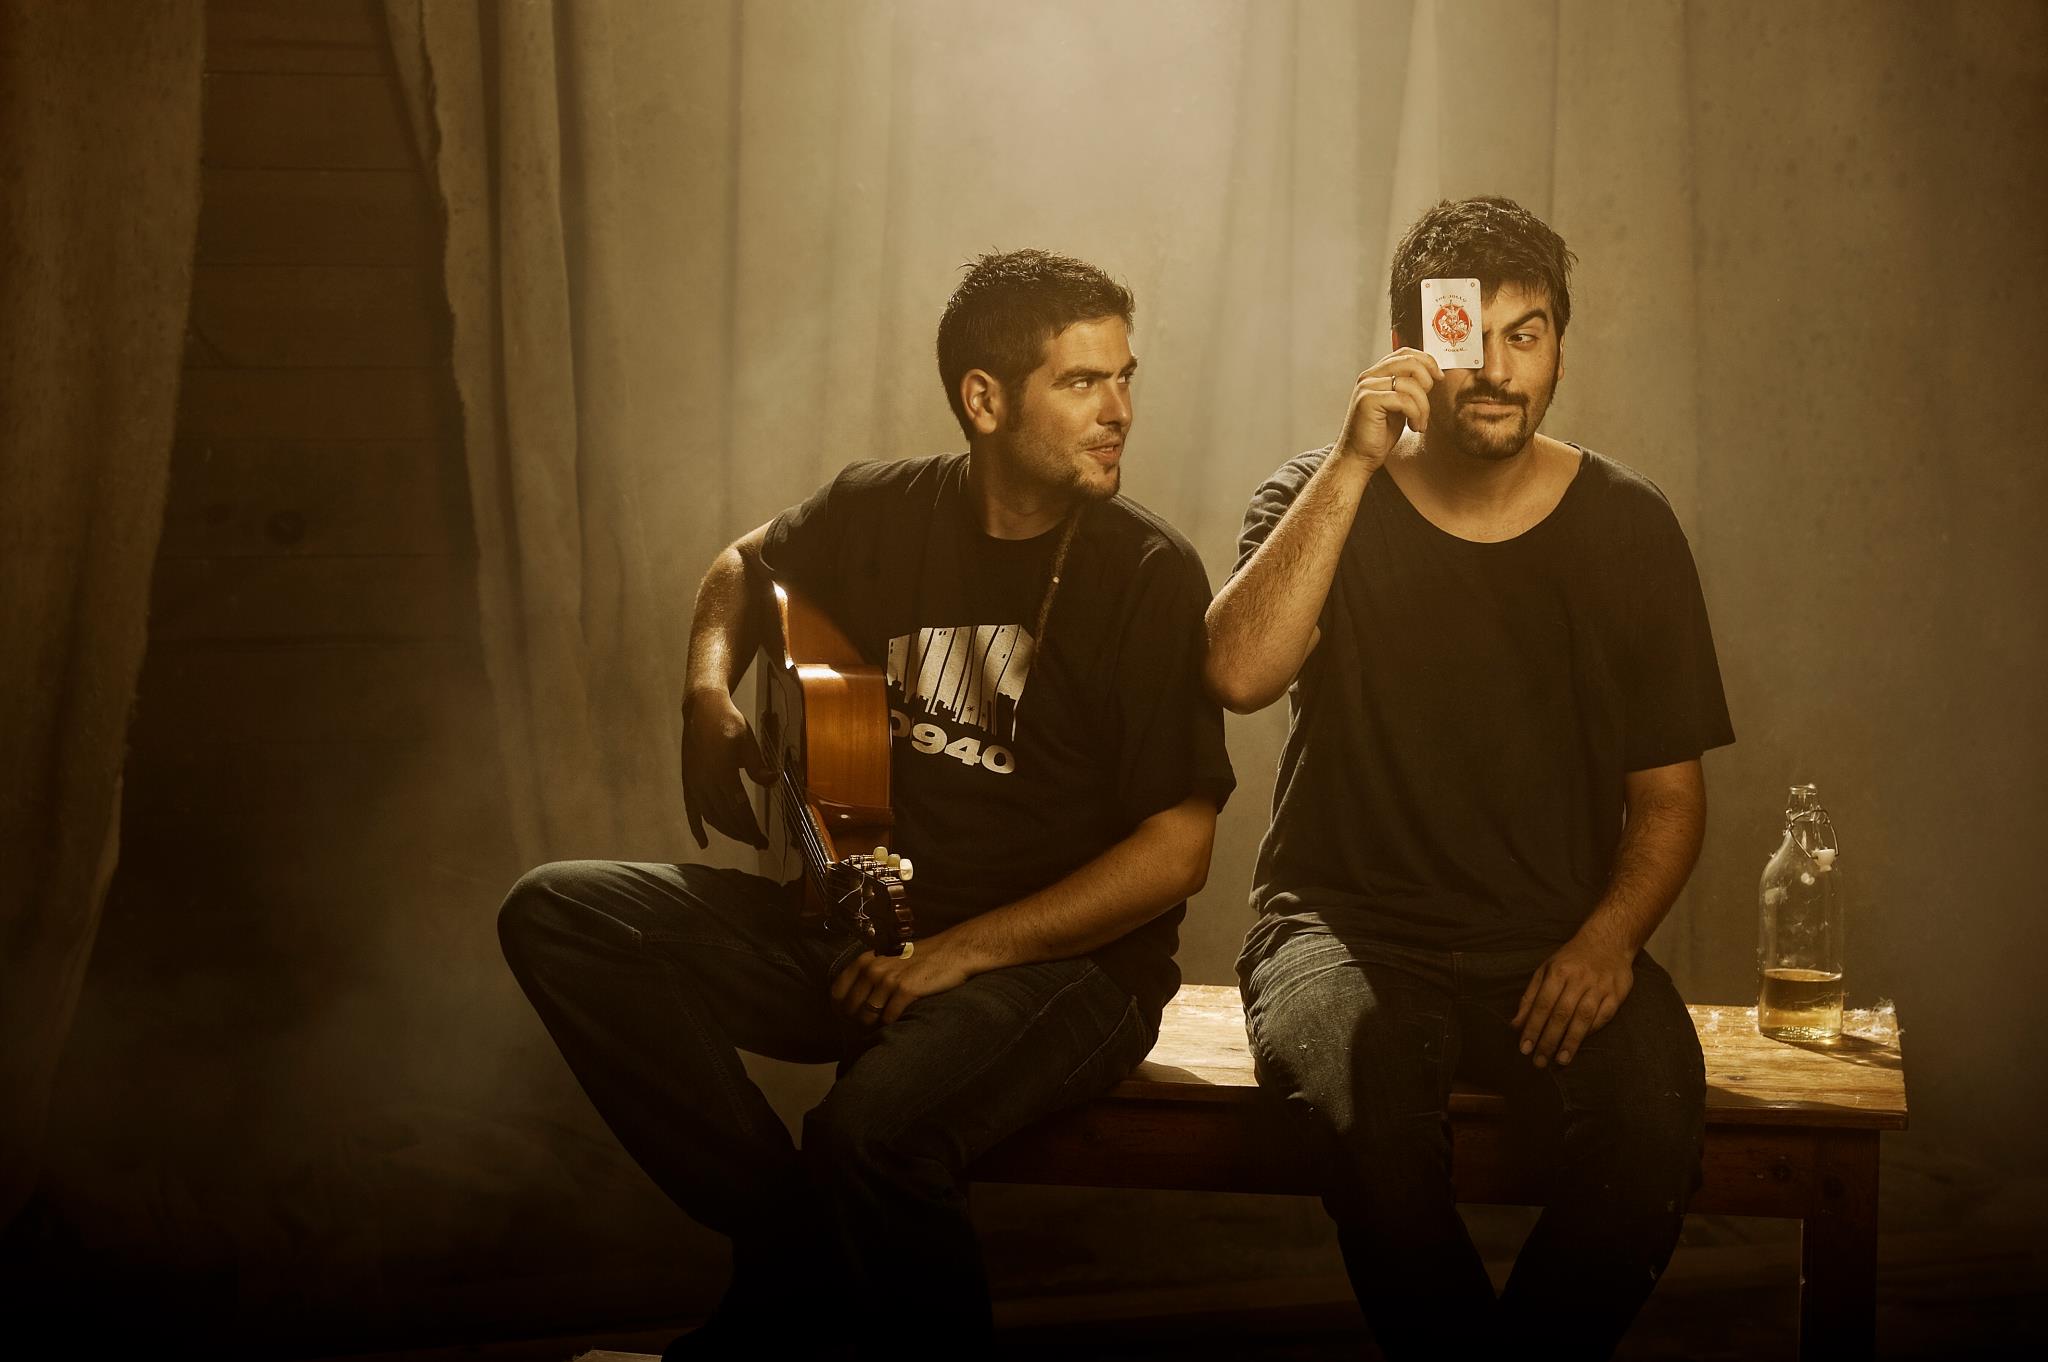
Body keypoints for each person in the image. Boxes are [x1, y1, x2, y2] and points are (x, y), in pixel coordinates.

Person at [497, 249, 1234, 1359]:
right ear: (983, 400)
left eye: (1124, 377)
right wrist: (705, 692)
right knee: (560, 912)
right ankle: (789, 1242)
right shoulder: (878, 509)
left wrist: (957, 956)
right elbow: (743, 565)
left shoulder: (1146, 572)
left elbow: (1178, 851)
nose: (1119, 410)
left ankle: (805, 1291)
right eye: (1082, 382)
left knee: (868, 1138)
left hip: (1064, 972)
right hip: (864, 930)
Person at [1203, 196, 1735, 1359]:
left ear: (1557, 351)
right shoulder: (1319, 495)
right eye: (1463, 336)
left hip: (1554, 939)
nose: (1493, 370)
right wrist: (1353, 462)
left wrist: (1606, 941)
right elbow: (1236, 674)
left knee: (1652, 1133)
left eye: (1523, 336)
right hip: (1341, 931)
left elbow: (1666, 798)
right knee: (1367, 1134)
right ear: (1408, 347)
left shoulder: (1627, 525)